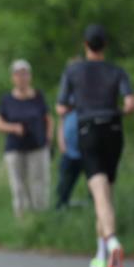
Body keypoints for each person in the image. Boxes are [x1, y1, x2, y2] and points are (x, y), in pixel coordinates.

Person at [57, 25, 134, 267]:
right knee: (105, 195)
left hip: (88, 132)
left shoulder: (73, 71)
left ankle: (112, 242)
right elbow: (131, 103)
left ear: (85, 44)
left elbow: (60, 107)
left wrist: (78, 105)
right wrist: (116, 112)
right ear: (105, 45)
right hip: (114, 131)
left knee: (99, 194)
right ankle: (101, 258)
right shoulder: (117, 71)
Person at [0, 59, 53, 217]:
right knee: (19, 185)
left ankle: (40, 217)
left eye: (25, 74)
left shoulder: (38, 96)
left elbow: (48, 119)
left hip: (37, 147)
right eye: (18, 74)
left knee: (38, 182)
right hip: (15, 147)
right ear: (13, 77)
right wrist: (13, 127)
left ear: (30, 76)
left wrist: (48, 139)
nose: (22, 77)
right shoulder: (7, 100)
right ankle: (22, 218)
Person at [55, 58, 84, 210]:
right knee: (65, 181)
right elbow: (61, 118)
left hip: (87, 145)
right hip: (69, 146)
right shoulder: (65, 93)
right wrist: (61, 140)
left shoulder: (91, 90)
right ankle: (61, 207)